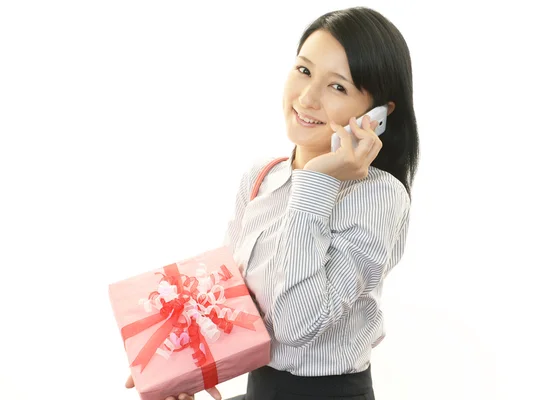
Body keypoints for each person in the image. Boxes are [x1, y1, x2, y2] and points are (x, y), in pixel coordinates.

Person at [125, 6, 419, 400]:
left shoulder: (379, 195)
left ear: (378, 115)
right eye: (304, 70)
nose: (308, 97)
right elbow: (225, 299)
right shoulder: (262, 176)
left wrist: (316, 181)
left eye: (338, 87)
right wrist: (171, 359)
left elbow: (298, 325)